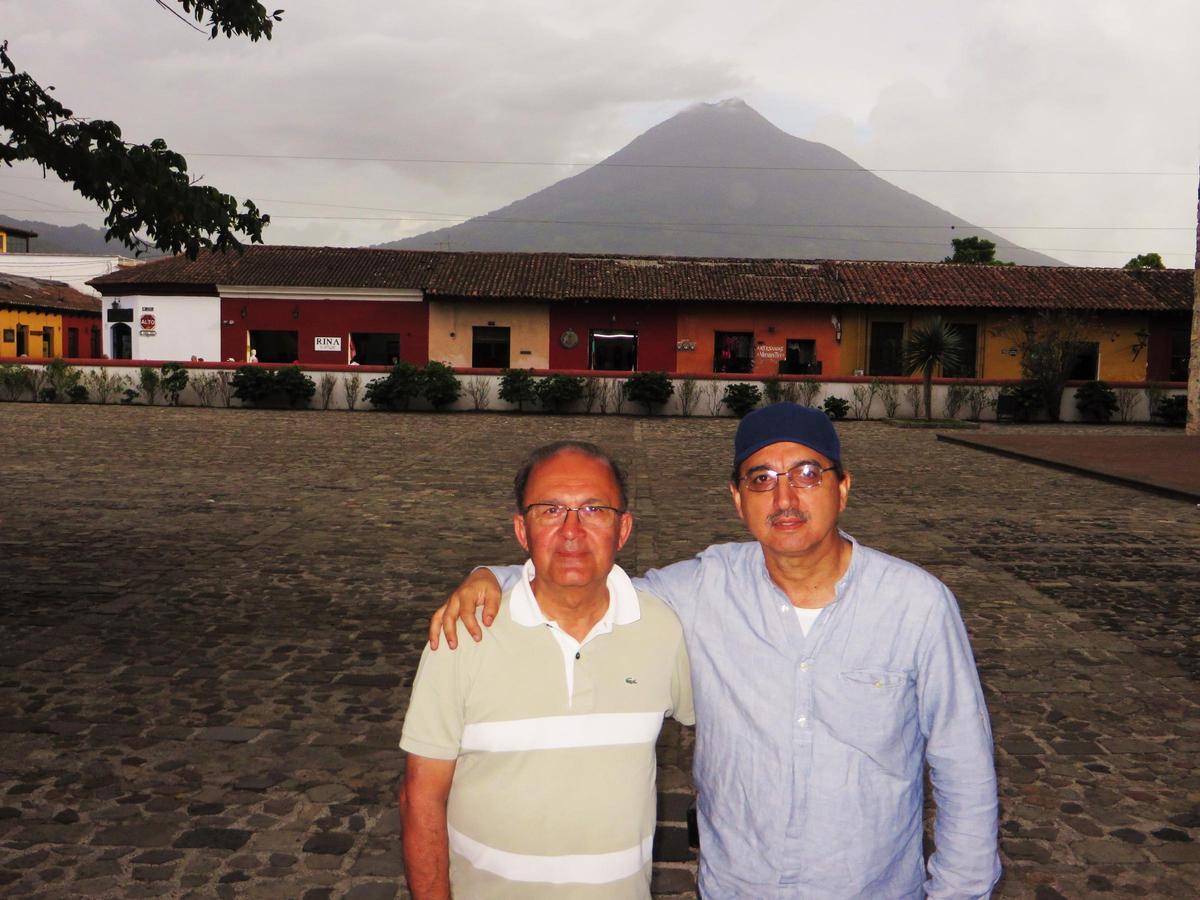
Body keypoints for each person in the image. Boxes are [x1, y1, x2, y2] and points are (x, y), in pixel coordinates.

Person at [431, 403, 1001, 899]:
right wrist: (495, 575)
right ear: (737, 498)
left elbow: (963, 762)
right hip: (737, 886)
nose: (785, 497)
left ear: (842, 486)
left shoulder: (917, 604)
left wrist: (960, 891)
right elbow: (588, 586)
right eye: (761, 479)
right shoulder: (702, 590)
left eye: (806, 473)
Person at [399, 440, 694, 899]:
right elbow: (421, 796)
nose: (572, 531)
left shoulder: (663, 630)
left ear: (623, 529)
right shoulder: (464, 633)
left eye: (594, 509)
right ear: (523, 530)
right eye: (550, 510)